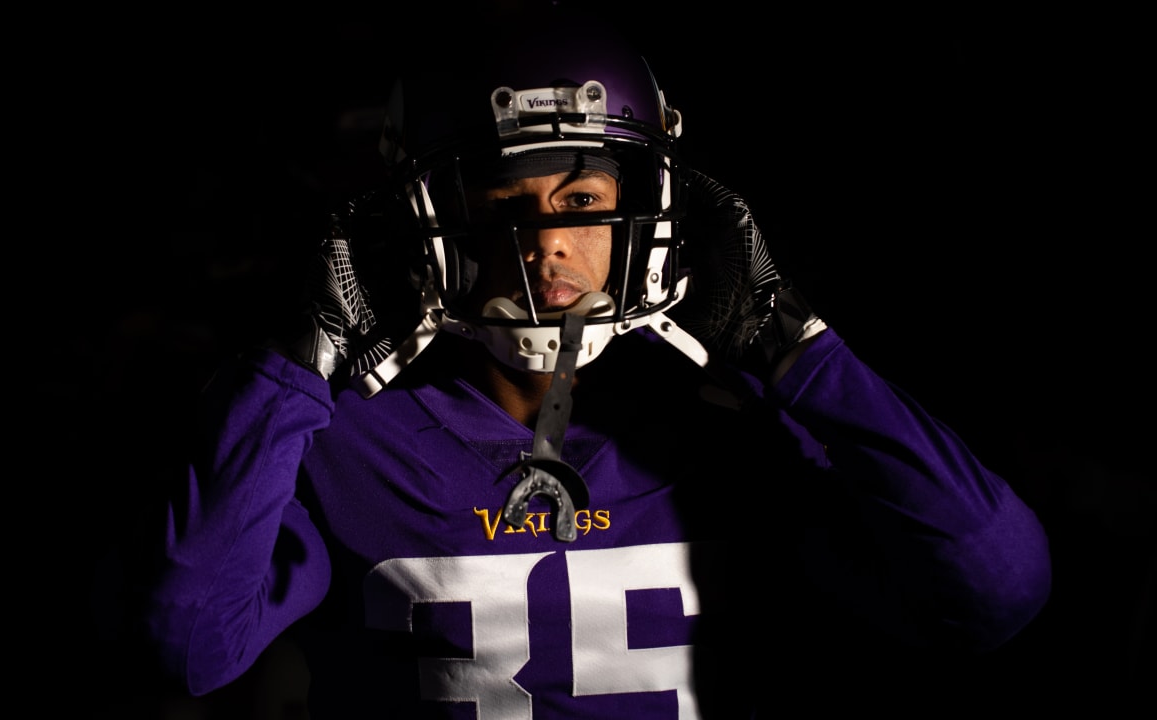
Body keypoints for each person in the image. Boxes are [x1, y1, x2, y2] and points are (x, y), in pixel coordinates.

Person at [135, 8, 1052, 718]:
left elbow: (997, 593)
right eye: (503, 206)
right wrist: (299, 363)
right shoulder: (340, 440)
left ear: (645, 208)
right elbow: (185, 645)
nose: (546, 246)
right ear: (425, 226)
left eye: (581, 198)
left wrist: (794, 347)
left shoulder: (729, 432)